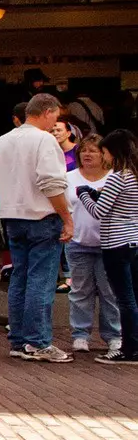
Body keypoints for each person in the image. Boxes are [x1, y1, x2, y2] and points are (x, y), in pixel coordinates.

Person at [0, 93, 75, 361]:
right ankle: (38, 341)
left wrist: (13, 198)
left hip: (14, 216)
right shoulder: (44, 140)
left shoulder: (4, 139)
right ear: (46, 112)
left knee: (20, 278)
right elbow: (51, 184)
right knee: (41, 280)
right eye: (56, 115)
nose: (56, 121)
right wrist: (67, 217)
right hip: (42, 217)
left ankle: (20, 340)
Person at [67, 134, 122, 357]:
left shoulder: (113, 178)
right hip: (78, 242)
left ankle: (114, 336)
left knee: (110, 292)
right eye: (84, 150)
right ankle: (80, 335)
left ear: (104, 154)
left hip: (109, 243)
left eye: (93, 150)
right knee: (80, 290)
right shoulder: (68, 177)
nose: (87, 154)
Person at [90, 130, 138, 366]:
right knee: (134, 296)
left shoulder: (117, 177)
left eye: (104, 152)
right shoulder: (135, 176)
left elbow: (99, 211)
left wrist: (85, 196)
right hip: (134, 240)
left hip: (115, 243)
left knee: (124, 298)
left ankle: (129, 348)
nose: (104, 157)